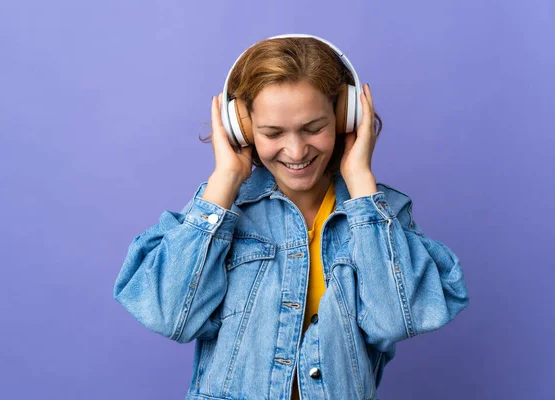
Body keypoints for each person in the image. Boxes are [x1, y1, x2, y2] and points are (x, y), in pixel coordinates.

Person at [113, 34, 469, 400]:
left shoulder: (380, 215)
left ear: (345, 117)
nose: (296, 150)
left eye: (314, 128)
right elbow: (168, 315)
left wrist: (362, 181)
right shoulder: (222, 210)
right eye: (273, 133)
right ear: (243, 127)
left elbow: (398, 319)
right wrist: (225, 179)